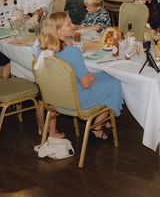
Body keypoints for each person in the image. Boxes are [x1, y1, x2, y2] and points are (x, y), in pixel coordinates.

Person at [34, 12, 123, 140]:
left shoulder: (41, 50)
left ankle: (103, 121)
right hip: (76, 99)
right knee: (115, 83)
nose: (73, 26)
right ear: (58, 30)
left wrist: (89, 76)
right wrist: (90, 77)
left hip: (54, 96)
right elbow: (86, 84)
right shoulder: (72, 52)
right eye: (68, 24)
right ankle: (98, 127)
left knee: (104, 75)